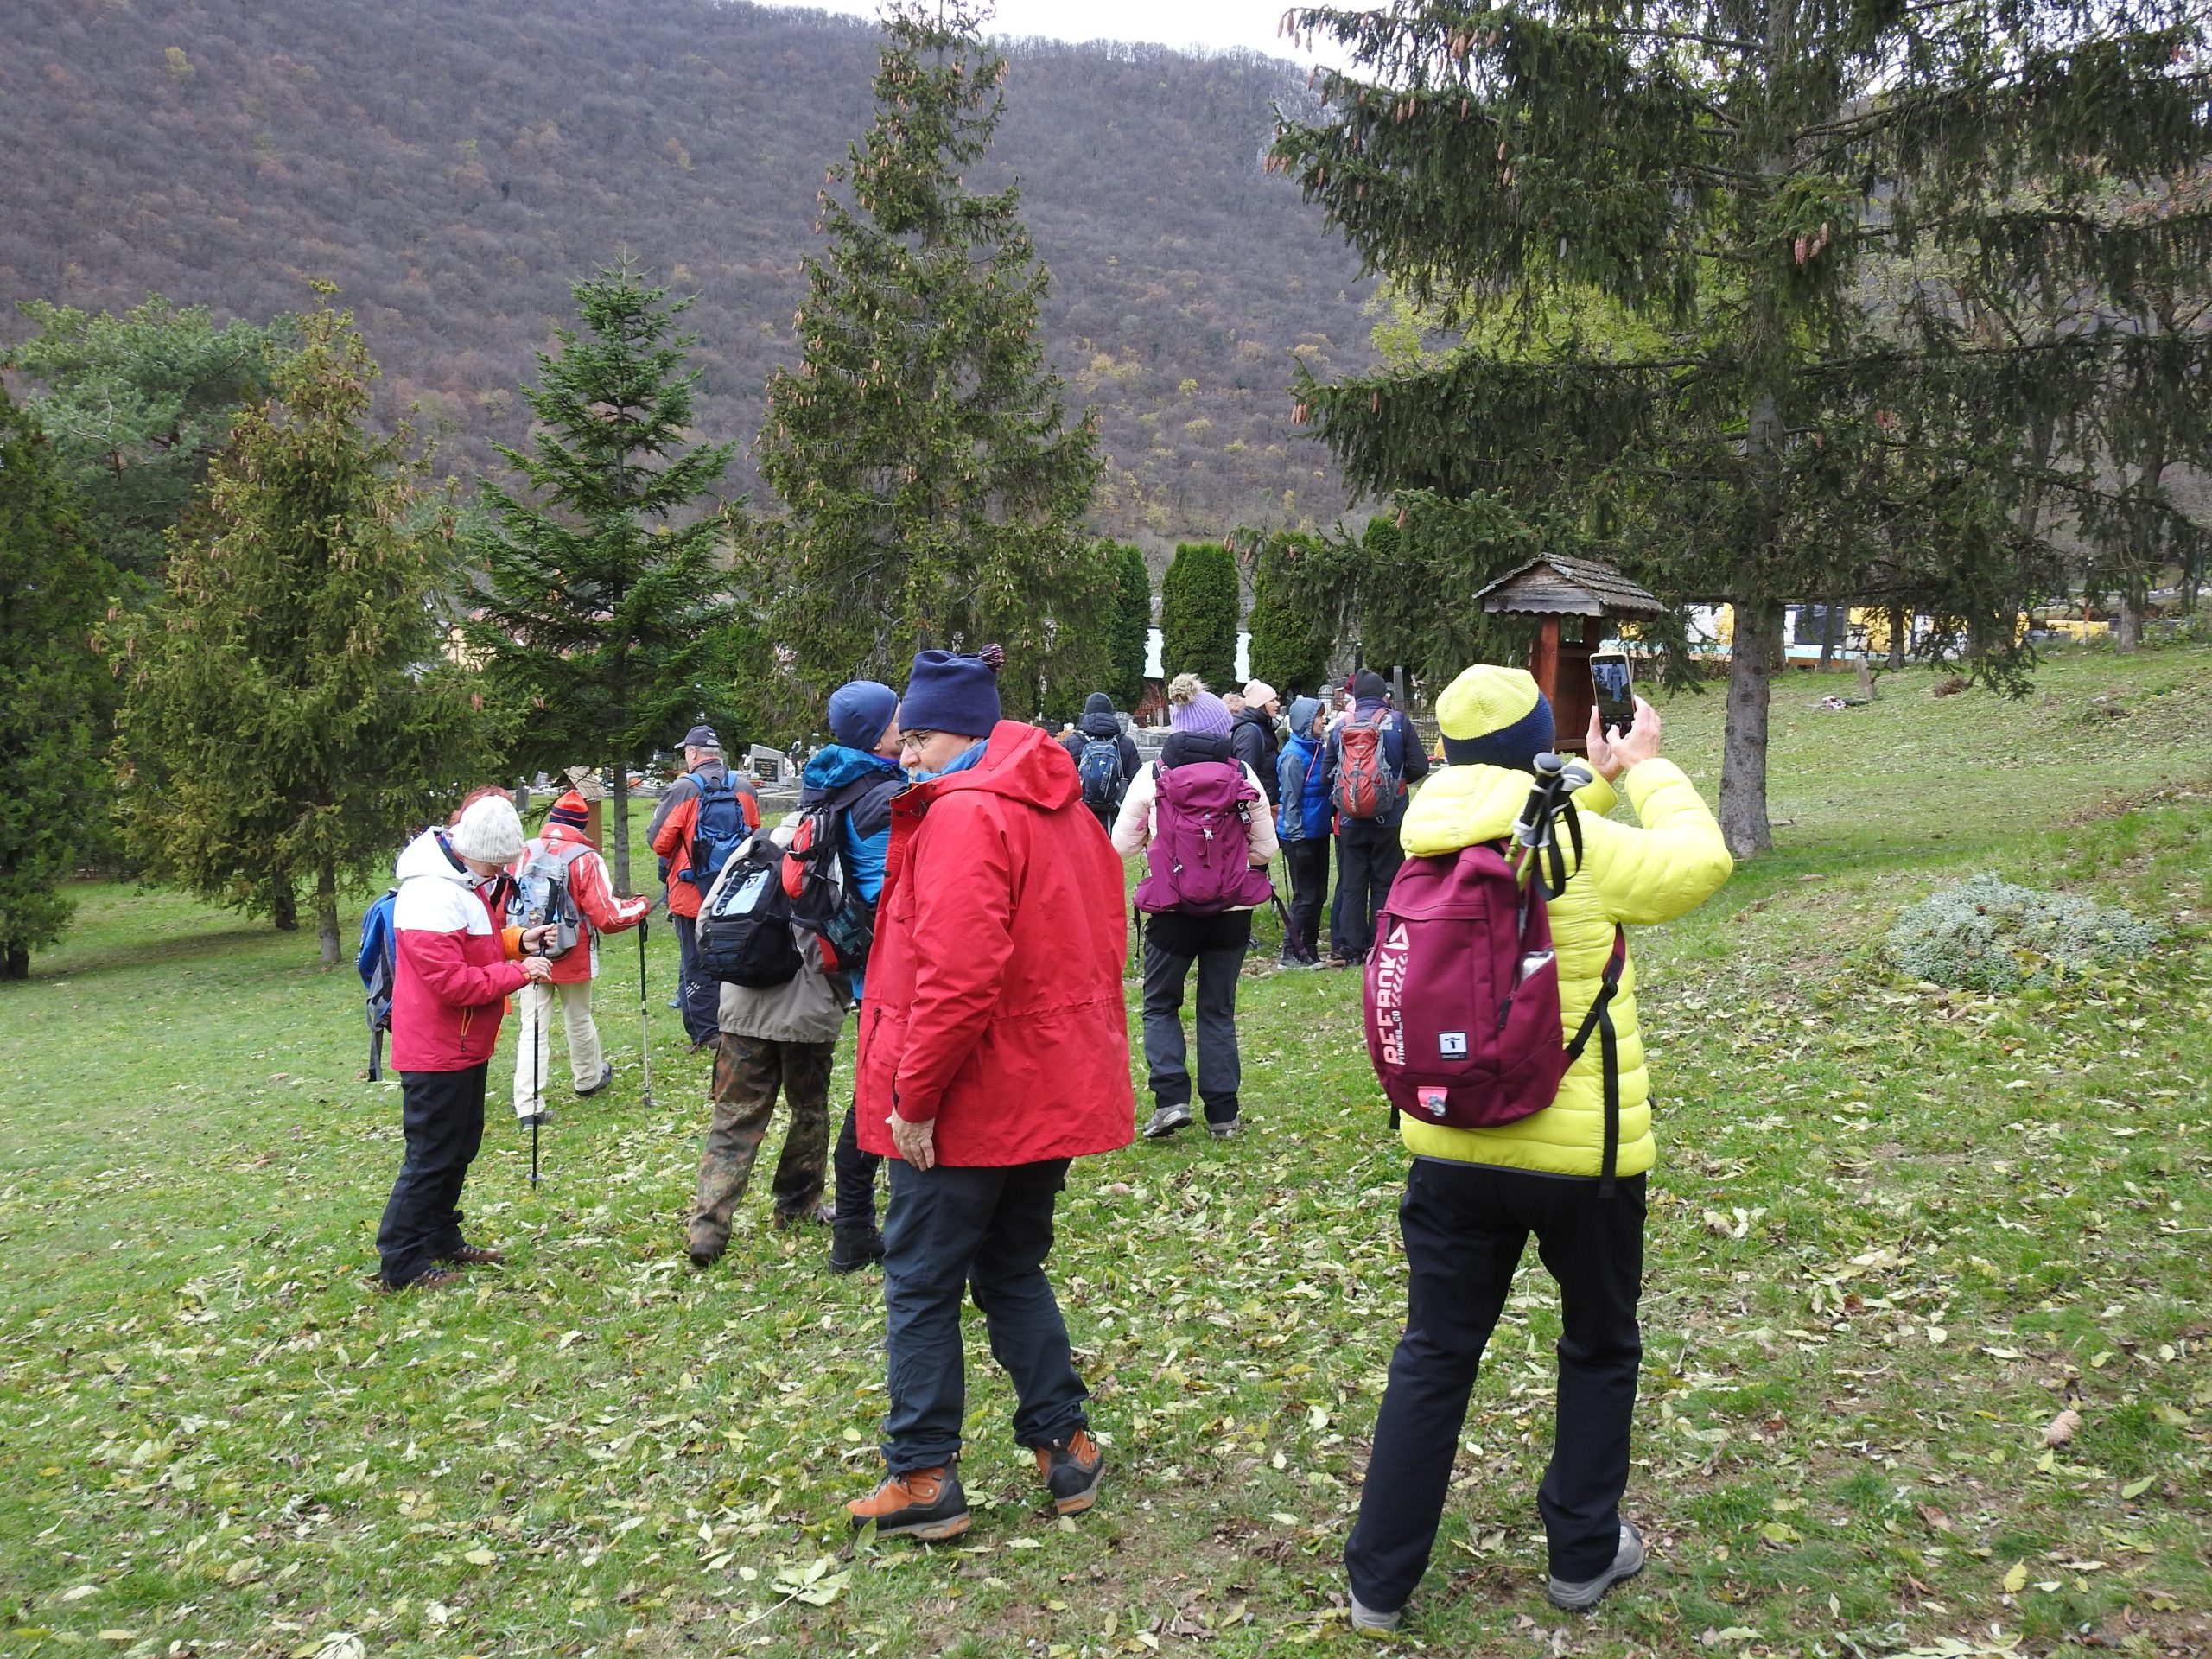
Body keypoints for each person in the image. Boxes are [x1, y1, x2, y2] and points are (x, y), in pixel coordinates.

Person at [1343, 666, 1732, 1635]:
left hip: (1449, 1147)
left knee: (1434, 1353)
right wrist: (1648, 768)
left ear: (1448, 750)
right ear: (1533, 748)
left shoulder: (1424, 838)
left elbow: (1529, 829)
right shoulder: (1581, 846)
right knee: (1598, 1347)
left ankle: (1378, 1583)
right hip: (1581, 1165)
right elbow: (1699, 863)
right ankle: (1582, 1552)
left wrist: (1592, 781)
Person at [845, 646, 1134, 1541]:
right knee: (1010, 1264)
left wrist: (915, 1097)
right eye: (905, 741)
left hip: (971, 1097)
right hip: (1041, 1086)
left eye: (918, 741)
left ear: (962, 733)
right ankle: (1065, 1445)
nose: (905, 757)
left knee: (920, 1281)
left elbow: (959, 977)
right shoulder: (1059, 807)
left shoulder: (967, 814)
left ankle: (922, 1474)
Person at [375, 792, 556, 1292]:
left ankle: (440, 1236)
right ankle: (401, 1263)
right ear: (470, 849)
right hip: (436, 1048)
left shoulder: (464, 882)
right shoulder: (430, 895)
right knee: (431, 1155)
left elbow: (475, 944)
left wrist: (517, 941)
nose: (500, 872)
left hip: (464, 1044)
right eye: (494, 863)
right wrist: (520, 972)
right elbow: (452, 983)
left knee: (459, 1147)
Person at [1111, 674, 1278, 1140]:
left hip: (1171, 911)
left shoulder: (1153, 776)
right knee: (1217, 1010)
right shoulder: (1241, 775)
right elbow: (1266, 849)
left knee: (1161, 1004)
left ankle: (1170, 1102)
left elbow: (1120, 845)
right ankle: (1223, 1114)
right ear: (1222, 729)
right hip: (1231, 913)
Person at [686, 817, 846, 1266]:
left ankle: (708, 1227)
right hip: (808, 1013)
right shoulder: (831, 854)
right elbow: (832, 939)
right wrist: (840, 994)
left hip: (742, 1009)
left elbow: (707, 920)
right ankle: (797, 1205)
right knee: (808, 1112)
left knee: (733, 1118)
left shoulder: (753, 846)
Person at [801, 679, 908, 1274]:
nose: (907, 722)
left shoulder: (841, 782)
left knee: (879, 1092)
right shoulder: (882, 798)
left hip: (869, 965)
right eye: (897, 717)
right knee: (883, 1098)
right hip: (896, 970)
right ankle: (855, 1228)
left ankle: (855, 1229)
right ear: (875, 733)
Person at [510, 791, 650, 1128]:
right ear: (581, 825)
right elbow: (607, 916)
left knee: (533, 1027)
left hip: (528, 947)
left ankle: (528, 1104)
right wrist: (640, 906)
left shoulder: (524, 851)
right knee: (578, 1017)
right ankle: (588, 1079)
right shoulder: (586, 858)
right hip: (573, 951)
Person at [648, 726, 760, 1051]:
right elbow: (755, 834)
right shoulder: (744, 787)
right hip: (735, 892)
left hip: (691, 893)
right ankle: (735, 1022)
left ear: (693, 753)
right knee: (732, 954)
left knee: (695, 963)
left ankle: (707, 1032)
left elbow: (658, 842)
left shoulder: (683, 789)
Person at [1324, 669, 1429, 966]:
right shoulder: (1398, 722)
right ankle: (1379, 944)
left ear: (1355, 697)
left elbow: (1325, 775)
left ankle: (1351, 950)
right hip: (1390, 818)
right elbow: (1420, 766)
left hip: (1350, 820)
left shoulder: (1341, 726)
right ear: (1384, 695)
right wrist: (1391, 787)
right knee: (1384, 882)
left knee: (1352, 885)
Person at [1274, 696, 1331, 968]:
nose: (1324, 721)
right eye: (1319, 716)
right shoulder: (1293, 756)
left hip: (1318, 831)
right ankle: (1290, 952)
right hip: (1299, 836)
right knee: (1305, 896)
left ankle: (1309, 948)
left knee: (1319, 895)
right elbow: (1291, 801)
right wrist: (1297, 840)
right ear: (1306, 722)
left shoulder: (1318, 749)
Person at [1060, 691, 1141, 834]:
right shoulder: (1125, 743)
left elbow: (1061, 783)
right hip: (1115, 818)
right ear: (1111, 714)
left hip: (1080, 816)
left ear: (1086, 713)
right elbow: (1137, 784)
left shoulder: (1070, 742)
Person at [1229, 680, 1284, 809]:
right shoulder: (1250, 732)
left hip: (1267, 801)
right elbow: (1246, 775)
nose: (1277, 704)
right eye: (1272, 700)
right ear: (1260, 705)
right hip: (1259, 805)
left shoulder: (1263, 726)